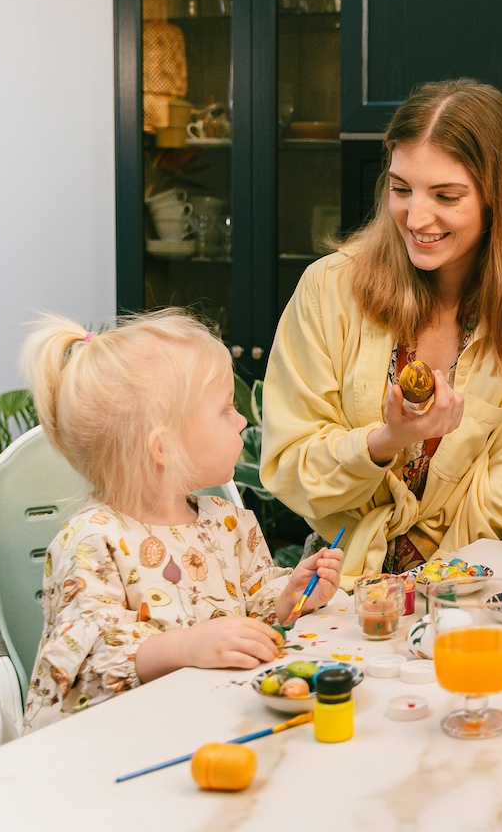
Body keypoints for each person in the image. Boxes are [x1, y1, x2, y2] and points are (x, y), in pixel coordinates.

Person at [261, 79, 502, 587]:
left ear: (498, 195)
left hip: (470, 592)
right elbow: (289, 465)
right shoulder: (328, 287)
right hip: (334, 587)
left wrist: (420, 590)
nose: (416, 217)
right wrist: (387, 440)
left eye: (446, 196)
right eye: (401, 189)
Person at [19, 311, 344, 731]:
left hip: (200, 722)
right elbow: (92, 663)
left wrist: (292, 597)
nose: (243, 420)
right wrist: (186, 646)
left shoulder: (227, 523)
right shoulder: (92, 540)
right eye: (226, 409)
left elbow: (257, 609)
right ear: (164, 447)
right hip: (106, 745)